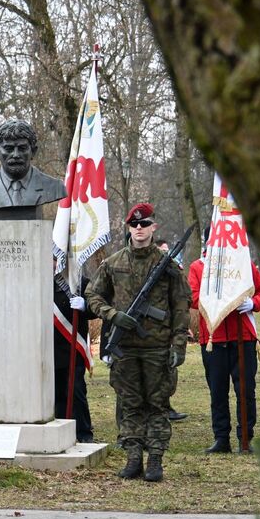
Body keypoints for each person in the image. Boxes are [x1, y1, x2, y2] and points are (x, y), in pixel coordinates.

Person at [85, 203, 191, 482]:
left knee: (157, 404)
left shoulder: (167, 266)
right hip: (126, 349)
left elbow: (181, 305)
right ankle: (133, 458)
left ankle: (155, 459)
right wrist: (113, 315)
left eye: (145, 224)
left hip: (158, 347)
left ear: (153, 227)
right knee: (129, 403)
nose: (140, 229)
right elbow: (93, 296)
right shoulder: (114, 262)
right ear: (129, 228)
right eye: (135, 225)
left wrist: (178, 345)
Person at [188, 227, 260, 453]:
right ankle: (221, 438)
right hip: (214, 337)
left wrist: (252, 303)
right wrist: (221, 297)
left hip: (243, 337)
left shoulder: (244, 265)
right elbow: (193, 298)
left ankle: (246, 438)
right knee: (217, 391)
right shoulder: (198, 267)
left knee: (246, 390)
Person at [0, 119, 67, 210]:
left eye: (22, 148)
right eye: (8, 149)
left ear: (33, 151)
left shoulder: (56, 187)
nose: (16, 155)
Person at [53, 272, 95, 442]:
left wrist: (86, 306)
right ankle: (62, 431)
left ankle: (83, 433)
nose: (54, 263)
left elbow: (96, 308)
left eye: (57, 259)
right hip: (49, 346)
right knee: (56, 393)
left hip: (72, 346)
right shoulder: (39, 281)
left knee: (76, 390)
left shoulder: (80, 282)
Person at [156, 238, 189, 421]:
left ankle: (166, 406)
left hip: (168, 327)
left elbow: (182, 299)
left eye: (167, 250)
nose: (167, 253)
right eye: (163, 250)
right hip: (152, 330)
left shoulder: (173, 271)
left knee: (169, 372)